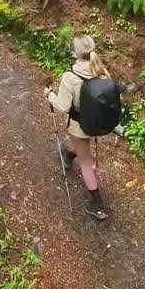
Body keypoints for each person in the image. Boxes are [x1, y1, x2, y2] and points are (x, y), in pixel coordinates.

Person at [45, 34, 111, 220]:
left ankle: (97, 205)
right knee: (83, 150)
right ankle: (68, 154)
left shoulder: (70, 77)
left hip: (80, 125)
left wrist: (49, 95)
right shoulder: (101, 70)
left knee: (86, 163)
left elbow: (63, 107)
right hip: (98, 123)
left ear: (75, 52)